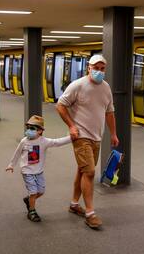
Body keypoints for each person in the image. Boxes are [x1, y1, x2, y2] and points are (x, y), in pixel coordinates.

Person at [56, 55, 119, 229]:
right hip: (81, 135)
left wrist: (113, 134)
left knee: (82, 171)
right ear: (88, 68)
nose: (99, 71)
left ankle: (74, 204)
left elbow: (110, 112)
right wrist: (71, 126)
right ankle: (90, 213)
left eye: (102, 68)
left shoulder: (106, 88)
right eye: (96, 67)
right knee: (90, 172)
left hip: (96, 137)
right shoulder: (78, 85)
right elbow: (60, 105)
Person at [5, 115, 71, 222]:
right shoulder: (24, 141)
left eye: (32, 128)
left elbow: (57, 142)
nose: (29, 130)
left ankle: (29, 200)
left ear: (40, 131)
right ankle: (32, 211)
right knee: (33, 192)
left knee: (41, 191)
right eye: (28, 128)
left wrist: (71, 138)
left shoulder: (44, 141)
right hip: (27, 171)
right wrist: (11, 165)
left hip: (39, 171)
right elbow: (17, 153)